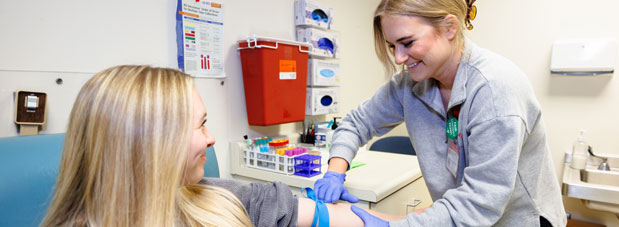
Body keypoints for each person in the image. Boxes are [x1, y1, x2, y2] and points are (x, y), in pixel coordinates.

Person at [41, 65, 399, 227]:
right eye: (200, 124)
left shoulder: (215, 196)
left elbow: (332, 218)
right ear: (150, 145)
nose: (211, 139)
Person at [314, 0, 567, 226]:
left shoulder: (495, 90)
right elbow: (356, 123)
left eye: (407, 43)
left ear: (449, 27)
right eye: (392, 46)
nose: (399, 58)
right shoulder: (409, 85)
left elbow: (480, 203)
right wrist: (336, 171)